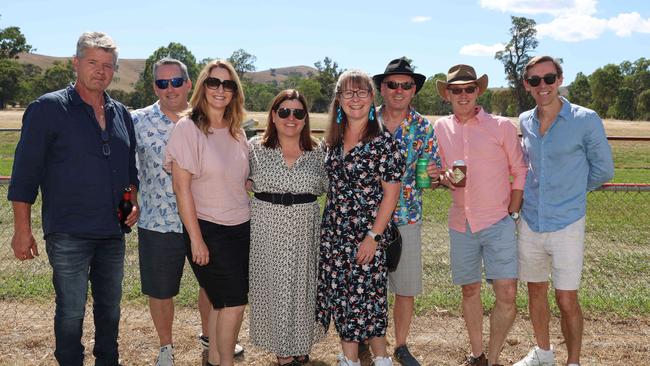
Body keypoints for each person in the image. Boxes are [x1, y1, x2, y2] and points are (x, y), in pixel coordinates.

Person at [7, 31, 139, 366]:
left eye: (108, 65)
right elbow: (25, 175)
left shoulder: (121, 113)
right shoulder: (47, 109)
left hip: (112, 233)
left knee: (110, 310)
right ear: (76, 63)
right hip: (68, 232)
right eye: (93, 62)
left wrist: (131, 199)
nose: (101, 71)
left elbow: (129, 172)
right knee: (70, 311)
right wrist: (22, 229)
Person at [131, 57, 242, 365]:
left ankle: (212, 338)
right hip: (158, 220)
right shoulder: (137, 121)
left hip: (206, 219)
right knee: (162, 289)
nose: (170, 89)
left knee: (212, 285)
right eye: (162, 83)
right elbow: (125, 168)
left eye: (176, 81)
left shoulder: (211, 120)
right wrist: (130, 196)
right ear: (154, 86)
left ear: (189, 83)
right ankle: (166, 347)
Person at [514, 56, 614, 366]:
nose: (542, 86)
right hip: (530, 221)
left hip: (568, 223)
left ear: (559, 79)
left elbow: (604, 169)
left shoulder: (585, 119)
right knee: (535, 291)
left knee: (567, 298)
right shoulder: (524, 120)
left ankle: (573, 362)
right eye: (534, 80)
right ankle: (543, 354)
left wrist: (573, 190)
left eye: (548, 78)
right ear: (527, 85)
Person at [433, 64, 527, 366]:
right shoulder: (440, 128)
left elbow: (519, 170)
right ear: (448, 94)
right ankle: (477, 355)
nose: (463, 94)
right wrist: (443, 177)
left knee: (507, 293)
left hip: (498, 221)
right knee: (470, 289)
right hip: (461, 222)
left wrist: (512, 211)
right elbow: (437, 174)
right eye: (456, 90)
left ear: (478, 91)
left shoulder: (501, 126)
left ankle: (495, 357)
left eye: (469, 88)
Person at [164, 59, 249, 366]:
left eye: (228, 84)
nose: (220, 90)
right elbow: (181, 189)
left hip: (242, 227)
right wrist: (196, 239)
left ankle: (214, 359)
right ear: (202, 87)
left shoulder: (237, 131)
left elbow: (242, 178)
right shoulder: (187, 128)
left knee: (219, 301)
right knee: (235, 303)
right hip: (208, 230)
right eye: (213, 82)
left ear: (235, 91)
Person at [317, 69, 404, 366]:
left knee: (370, 301)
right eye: (348, 93)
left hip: (367, 234)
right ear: (338, 100)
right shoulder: (331, 141)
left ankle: (381, 359)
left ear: (372, 97)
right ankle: (349, 359)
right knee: (342, 300)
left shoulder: (384, 142)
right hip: (334, 235)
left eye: (362, 92)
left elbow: (391, 195)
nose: (355, 99)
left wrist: (373, 237)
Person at [248, 89, 328, 366]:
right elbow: (238, 181)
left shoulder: (319, 152)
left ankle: (300, 344)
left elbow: (336, 187)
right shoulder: (255, 148)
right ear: (273, 115)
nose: (290, 118)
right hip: (267, 226)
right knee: (275, 287)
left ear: (305, 119)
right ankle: (284, 353)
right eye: (284, 112)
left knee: (304, 287)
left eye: (298, 112)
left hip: (306, 227)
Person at [372, 57, 441, 366]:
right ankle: (367, 342)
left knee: (405, 287)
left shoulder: (424, 127)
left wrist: (437, 178)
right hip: (367, 218)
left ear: (414, 90)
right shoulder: (365, 120)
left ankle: (400, 345)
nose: (399, 90)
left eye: (406, 85)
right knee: (368, 287)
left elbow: (429, 174)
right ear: (381, 89)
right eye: (392, 84)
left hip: (406, 217)